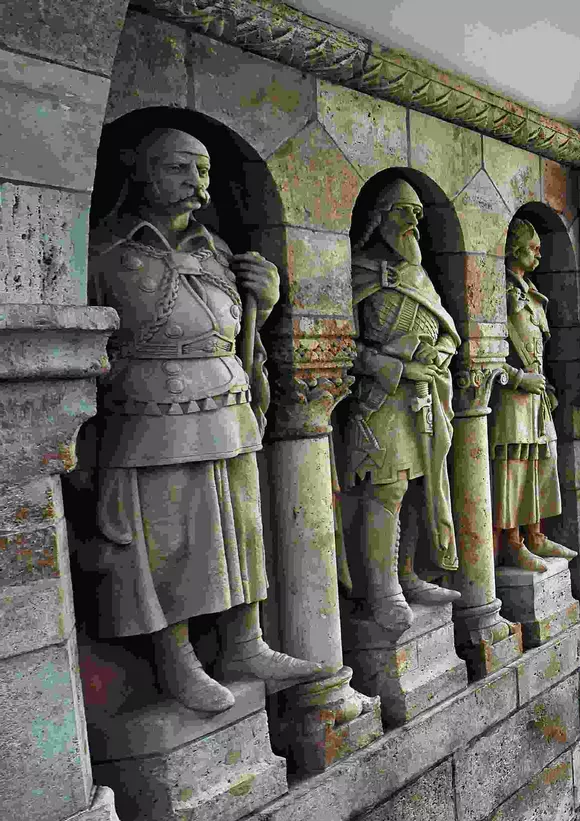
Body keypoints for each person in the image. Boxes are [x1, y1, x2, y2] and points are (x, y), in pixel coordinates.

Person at [83, 128, 327, 712]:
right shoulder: (103, 252)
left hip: (227, 409)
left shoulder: (216, 251)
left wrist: (261, 307)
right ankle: (178, 658)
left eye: (205, 172)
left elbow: (239, 347)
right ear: (140, 172)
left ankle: (245, 641)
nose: (198, 183)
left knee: (241, 528)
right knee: (168, 541)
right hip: (149, 418)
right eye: (181, 168)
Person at [340, 178, 463, 632]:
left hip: (424, 399)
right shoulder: (358, 272)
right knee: (385, 488)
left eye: (417, 214)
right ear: (380, 218)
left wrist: (439, 355)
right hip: (379, 402)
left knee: (418, 486)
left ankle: (407, 574)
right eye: (403, 212)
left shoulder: (418, 273)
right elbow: (340, 347)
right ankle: (381, 587)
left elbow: (447, 329)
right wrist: (398, 368)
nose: (413, 222)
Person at [493, 219, 577, 571]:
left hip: (538, 400)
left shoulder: (532, 294)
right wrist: (518, 379)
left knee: (543, 463)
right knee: (514, 469)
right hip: (512, 399)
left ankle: (537, 536)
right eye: (533, 247)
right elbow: (484, 355)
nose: (539, 253)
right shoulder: (497, 290)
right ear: (514, 248)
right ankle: (513, 543)